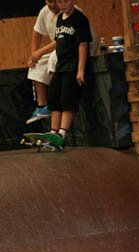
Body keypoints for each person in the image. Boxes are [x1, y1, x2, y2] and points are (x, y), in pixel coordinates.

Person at [47, 0, 92, 147]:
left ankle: (62, 134)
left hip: (72, 66)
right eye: (60, 2)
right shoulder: (60, 18)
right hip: (60, 65)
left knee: (67, 100)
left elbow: (83, 44)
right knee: (54, 98)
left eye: (66, 1)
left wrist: (80, 70)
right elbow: (58, 42)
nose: (63, 5)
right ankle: (53, 133)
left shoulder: (80, 19)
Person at [26, 0, 60, 125]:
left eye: (55, 1)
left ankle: (55, 101)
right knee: (37, 64)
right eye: (49, 1)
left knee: (53, 59)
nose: (52, 5)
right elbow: (37, 32)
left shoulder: (70, 12)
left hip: (74, 48)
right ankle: (42, 107)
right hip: (58, 49)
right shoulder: (45, 11)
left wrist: (39, 52)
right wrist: (34, 55)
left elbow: (61, 40)